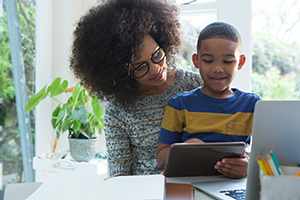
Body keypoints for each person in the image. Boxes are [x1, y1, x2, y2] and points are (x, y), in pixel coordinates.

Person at [69, 0, 203, 177]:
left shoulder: (195, 85)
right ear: (121, 73)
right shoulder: (117, 110)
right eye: (140, 67)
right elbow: (119, 177)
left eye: (156, 55)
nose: (156, 69)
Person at [157, 22, 262, 179]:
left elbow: (270, 156)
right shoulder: (179, 105)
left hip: (232, 186)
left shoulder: (253, 105)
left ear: (240, 63)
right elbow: (161, 160)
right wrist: (185, 148)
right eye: (208, 60)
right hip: (188, 184)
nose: (218, 68)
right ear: (196, 61)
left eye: (227, 61)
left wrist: (249, 165)